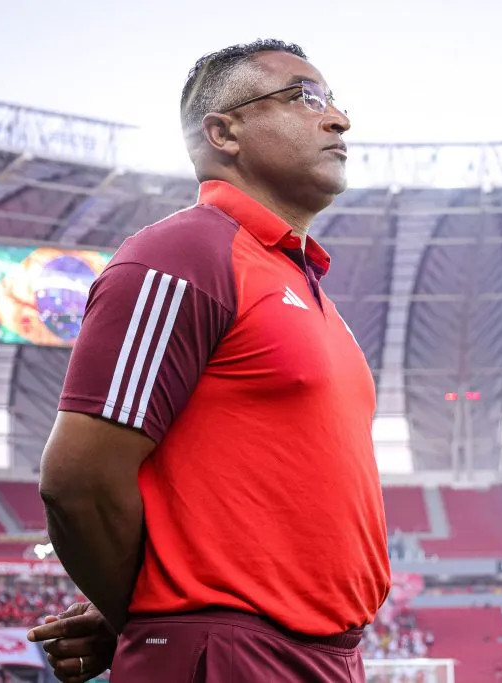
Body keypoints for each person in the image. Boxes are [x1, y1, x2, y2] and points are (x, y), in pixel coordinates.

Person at [32, 38, 390, 682]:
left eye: (333, 101)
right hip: (233, 656)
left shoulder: (300, 282)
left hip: (319, 655)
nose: (338, 118)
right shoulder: (184, 254)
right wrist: (143, 617)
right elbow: (79, 481)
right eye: (303, 97)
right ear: (223, 131)